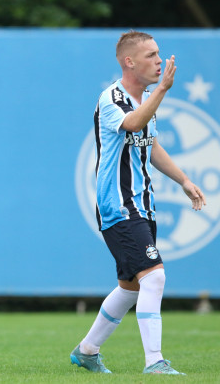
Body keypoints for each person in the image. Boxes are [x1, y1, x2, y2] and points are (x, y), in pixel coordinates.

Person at [69, 31, 206, 375]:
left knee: (131, 286)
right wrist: (161, 91)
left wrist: (185, 181)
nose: (159, 61)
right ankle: (154, 362)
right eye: (151, 55)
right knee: (154, 277)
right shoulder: (112, 98)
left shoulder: (145, 98)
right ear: (129, 62)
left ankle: (86, 351)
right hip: (118, 204)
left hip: (142, 205)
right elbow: (132, 123)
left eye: (159, 54)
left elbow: (151, 144)